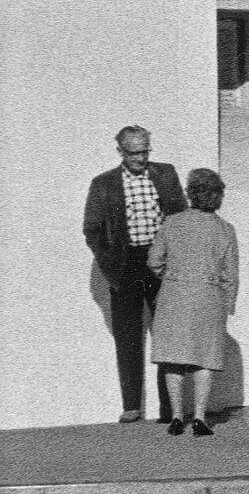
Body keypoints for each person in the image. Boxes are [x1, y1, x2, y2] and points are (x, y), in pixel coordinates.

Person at [82, 126, 187, 422]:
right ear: (121, 152)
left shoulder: (165, 174)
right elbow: (92, 230)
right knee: (127, 337)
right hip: (126, 266)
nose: (141, 158)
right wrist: (111, 266)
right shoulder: (103, 184)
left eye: (145, 151)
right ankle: (131, 406)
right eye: (134, 153)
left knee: (168, 335)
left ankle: (170, 409)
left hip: (161, 265)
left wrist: (172, 258)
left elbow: (179, 216)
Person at [147, 168, 238, 436]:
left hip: (173, 295)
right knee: (204, 359)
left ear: (190, 193)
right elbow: (230, 275)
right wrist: (227, 306)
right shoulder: (225, 230)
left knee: (173, 359)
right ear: (218, 196)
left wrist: (173, 277)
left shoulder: (171, 223)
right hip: (208, 297)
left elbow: (153, 261)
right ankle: (199, 418)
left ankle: (176, 417)